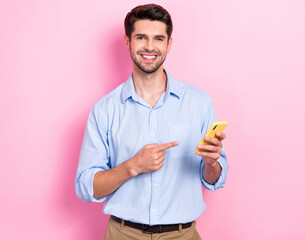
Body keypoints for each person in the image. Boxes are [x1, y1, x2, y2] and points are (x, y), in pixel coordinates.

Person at [75, 4, 228, 239]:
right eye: (141, 37)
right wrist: (132, 166)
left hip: (182, 234)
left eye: (158, 38)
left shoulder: (199, 102)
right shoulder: (104, 110)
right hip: (123, 234)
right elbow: (86, 186)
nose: (149, 47)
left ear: (168, 43)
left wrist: (211, 163)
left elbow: (214, 179)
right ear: (127, 42)